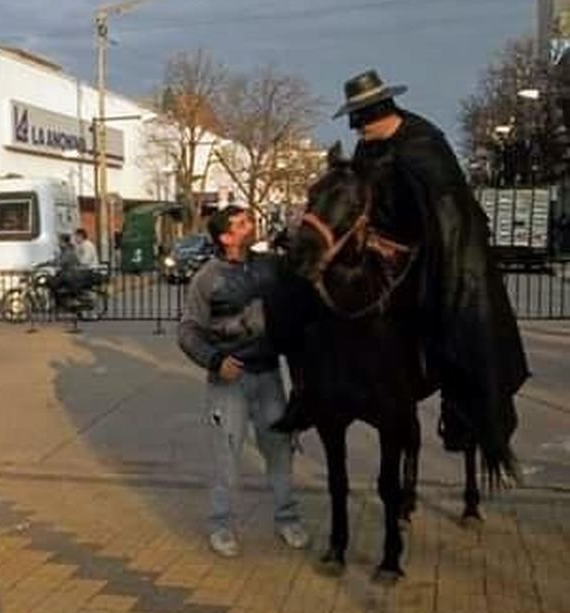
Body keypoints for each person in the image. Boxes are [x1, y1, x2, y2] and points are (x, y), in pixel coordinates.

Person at [278, 70, 529, 472]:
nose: (357, 132)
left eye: (360, 122)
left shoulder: (422, 143)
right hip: (376, 245)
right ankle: (309, 389)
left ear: (378, 113)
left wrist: (409, 244)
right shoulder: (366, 149)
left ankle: (459, 393)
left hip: (430, 247)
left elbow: (446, 210)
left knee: (450, 309)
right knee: (309, 287)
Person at [178, 206, 309, 558]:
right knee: (227, 456)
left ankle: (288, 519)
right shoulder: (208, 277)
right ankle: (221, 526)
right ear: (225, 237)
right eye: (241, 224)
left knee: (279, 450)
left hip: (268, 376)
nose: (250, 226)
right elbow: (188, 330)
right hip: (228, 383)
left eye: (249, 221)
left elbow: (303, 275)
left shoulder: (269, 266)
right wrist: (216, 361)